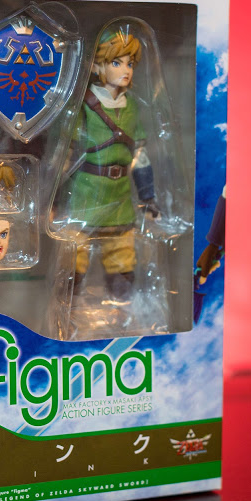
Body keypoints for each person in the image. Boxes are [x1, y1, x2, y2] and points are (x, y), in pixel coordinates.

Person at [65, 26, 160, 301]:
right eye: (116, 63)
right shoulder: (84, 104)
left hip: (119, 196)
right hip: (86, 191)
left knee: (122, 253)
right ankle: (68, 298)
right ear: (97, 66)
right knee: (75, 254)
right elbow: (66, 154)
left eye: (130, 64)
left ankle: (121, 301)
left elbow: (140, 155)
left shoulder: (131, 106)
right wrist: (55, 200)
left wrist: (148, 197)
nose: (126, 70)